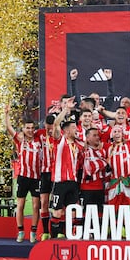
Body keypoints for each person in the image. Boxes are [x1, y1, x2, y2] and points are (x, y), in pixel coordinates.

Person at [5, 105, 41, 243]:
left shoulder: (39, 141)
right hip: (23, 177)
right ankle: (20, 231)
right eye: (28, 128)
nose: (30, 131)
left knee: (35, 206)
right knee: (20, 205)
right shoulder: (20, 140)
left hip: (36, 177)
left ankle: (33, 232)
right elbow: (9, 129)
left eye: (32, 128)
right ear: (23, 129)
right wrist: (7, 114)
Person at [49, 98, 84, 238]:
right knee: (57, 212)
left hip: (73, 182)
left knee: (74, 210)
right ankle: (55, 236)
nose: (76, 129)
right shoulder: (60, 140)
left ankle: (72, 235)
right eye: (74, 127)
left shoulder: (77, 144)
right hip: (60, 182)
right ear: (67, 130)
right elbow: (56, 124)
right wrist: (66, 109)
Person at [80, 128, 110, 217]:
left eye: (98, 135)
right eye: (94, 135)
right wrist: (105, 162)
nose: (98, 137)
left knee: (99, 214)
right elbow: (89, 169)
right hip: (86, 188)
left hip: (100, 188)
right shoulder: (84, 151)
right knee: (87, 214)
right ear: (88, 138)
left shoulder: (103, 151)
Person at [36, 114, 56, 241]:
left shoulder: (59, 134)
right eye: (48, 128)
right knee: (43, 202)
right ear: (45, 126)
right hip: (44, 173)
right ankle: (45, 231)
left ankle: (57, 231)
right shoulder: (40, 134)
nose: (49, 131)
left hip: (56, 173)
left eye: (51, 128)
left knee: (56, 203)